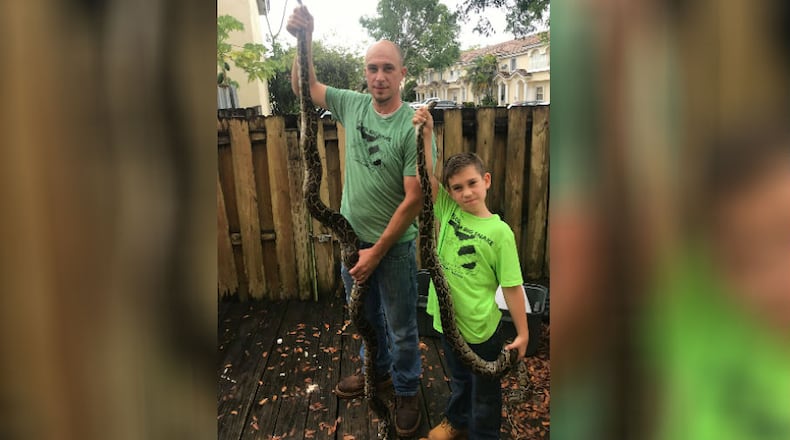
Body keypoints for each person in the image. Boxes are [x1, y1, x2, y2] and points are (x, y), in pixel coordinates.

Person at [287, 6, 435, 437]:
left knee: (404, 327)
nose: (379, 76)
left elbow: (414, 199)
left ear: (402, 73)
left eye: (388, 68)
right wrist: (306, 39)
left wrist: (377, 253)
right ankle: (378, 374)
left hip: (394, 249)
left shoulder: (413, 125)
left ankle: (407, 390)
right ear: (365, 73)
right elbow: (304, 87)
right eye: (372, 68)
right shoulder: (351, 105)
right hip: (352, 242)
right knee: (365, 319)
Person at [412, 140, 529, 438]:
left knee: (486, 394)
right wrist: (425, 135)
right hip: (447, 324)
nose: (466, 192)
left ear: (486, 180)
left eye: (472, 183)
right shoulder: (450, 210)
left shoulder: (500, 233)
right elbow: (425, 173)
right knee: (461, 380)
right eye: (457, 187)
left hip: (481, 331)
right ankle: (458, 420)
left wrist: (524, 333)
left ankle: (484, 435)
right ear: (450, 193)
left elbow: (513, 287)